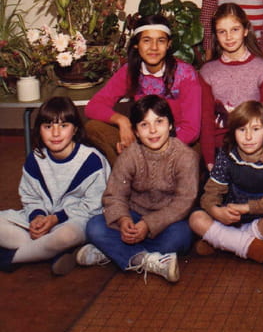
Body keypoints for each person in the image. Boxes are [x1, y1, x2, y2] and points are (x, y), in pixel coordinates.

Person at [78, 96, 199, 283]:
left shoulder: (186, 157)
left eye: (159, 122)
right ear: (135, 131)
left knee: (182, 236)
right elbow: (114, 194)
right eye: (144, 125)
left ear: (170, 125)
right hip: (134, 215)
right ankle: (148, 260)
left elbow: (183, 203)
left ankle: (112, 252)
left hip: (167, 221)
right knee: (94, 226)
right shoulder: (130, 154)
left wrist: (148, 224)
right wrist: (123, 219)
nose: (153, 130)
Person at [0, 97, 110, 275]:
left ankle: (10, 258)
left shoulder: (91, 160)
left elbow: (94, 206)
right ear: (39, 130)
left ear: (75, 129)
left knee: (66, 236)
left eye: (63, 125)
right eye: (48, 126)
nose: (56, 133)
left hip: (75, 221)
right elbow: (30, 197)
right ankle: (52, 252)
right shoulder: (35, 159)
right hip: (44, 220)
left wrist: (56, 218)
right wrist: (37, 216)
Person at [85, 14, 202, 166]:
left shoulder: (185, 74)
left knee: (188, 159)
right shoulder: (130, 70)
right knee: (93, 127)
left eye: (160, 41)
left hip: (175, 141)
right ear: (136, 44)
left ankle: (137, 168)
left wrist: (153, 149)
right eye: (147, 40)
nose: (154, 47)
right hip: (143, 138)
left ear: (169, 44)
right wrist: (122, 122)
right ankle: (128, 172)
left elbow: (191, 129)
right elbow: (93, 106)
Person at [189, 101, 263, 267]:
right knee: (196, 219)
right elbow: (209, 194)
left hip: (262, 221)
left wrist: (248, 208)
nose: (248, 137)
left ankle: (225, 243)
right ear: (233, 132)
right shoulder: (227, 154)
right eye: (242, 130)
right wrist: (216, 211)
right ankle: (258, 250)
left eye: (255, 129)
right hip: (231, 220)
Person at [200, 3, 263, 165]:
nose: (229, 37)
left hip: (255, 149)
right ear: (215, 35)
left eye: (235, 29)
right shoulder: (207, 72)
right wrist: (209, 160)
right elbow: (206, 120)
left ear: (245, 30)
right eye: (222, 32)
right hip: (220, 150)